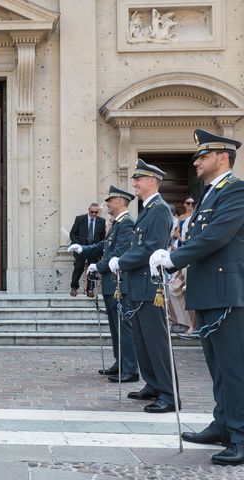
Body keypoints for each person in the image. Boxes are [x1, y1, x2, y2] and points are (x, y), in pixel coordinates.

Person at [150, 129, 244, 466]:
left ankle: (241, 435)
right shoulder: (210, 194)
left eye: (203, 156)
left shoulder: (236, 191)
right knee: (218, 369)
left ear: (223, 158)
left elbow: (216, 237)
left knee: (234, 369)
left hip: (226, 293)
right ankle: (223, 424)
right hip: (207, 291)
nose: (196, 161)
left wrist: (174, 258)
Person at [109, 158, 177, 413]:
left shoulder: (159, 209)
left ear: (152, 181)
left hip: (150, 286)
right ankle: (153, 384)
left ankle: (169, 395)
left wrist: (121, 261)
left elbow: (151, 247)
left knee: (156, 342)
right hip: (138, 285)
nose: (134, 183)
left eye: (138, 179)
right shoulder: (148, 209)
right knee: (143, 340)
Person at [68, 186, 139, 382]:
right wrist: (83, 249)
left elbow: (120, 252)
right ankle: (120, 363)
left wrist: (97, 267)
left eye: (111, 200)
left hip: (119, 283)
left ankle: (131, 368)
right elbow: (103, 246)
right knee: (115, 327)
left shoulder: (126, 224)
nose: (107, 204)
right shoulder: (117, 224)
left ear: (121, 202)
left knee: (124, 327)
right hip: (110, 283)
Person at [68, 202, 105, 296]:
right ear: (89, 210)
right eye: (92, 212)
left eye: (96, 212)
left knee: (92, 269)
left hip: (94, 249)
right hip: (81, 248)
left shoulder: (101, 221)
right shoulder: (80, 219)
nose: (93, 214)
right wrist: (77, 246)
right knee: (78, 267)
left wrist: (100, 249)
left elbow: (102, 237)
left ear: (98, 212)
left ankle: (90, 290)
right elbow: (72, 234)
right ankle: (74, 287)